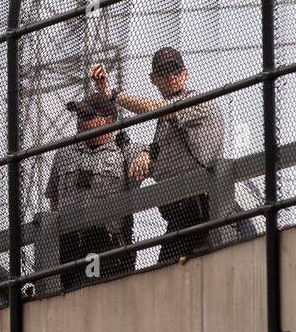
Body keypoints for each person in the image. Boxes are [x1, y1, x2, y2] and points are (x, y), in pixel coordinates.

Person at [90, 47, 225, 265]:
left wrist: (112, 94)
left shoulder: (199, 102)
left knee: (191, 275)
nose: (171, 76)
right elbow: (166, 158)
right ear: (153, 79)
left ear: (185, 73)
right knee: (167, 276)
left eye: (176, 70)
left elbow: (158, 108)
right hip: (179, 217)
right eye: (163, 72)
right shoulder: (165, 123)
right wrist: (147, 157)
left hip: (203, 211)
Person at [44, 92, 145, 293]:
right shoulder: (64, 152)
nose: (80, 121)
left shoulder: (123, 152)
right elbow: (54, 199)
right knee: (65, 298)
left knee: (95, 296)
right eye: (80, 115)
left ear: (108, 120)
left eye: (88, 117)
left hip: (105, 243)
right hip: (69, 245)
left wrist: (145, 156)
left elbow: (149, 155)